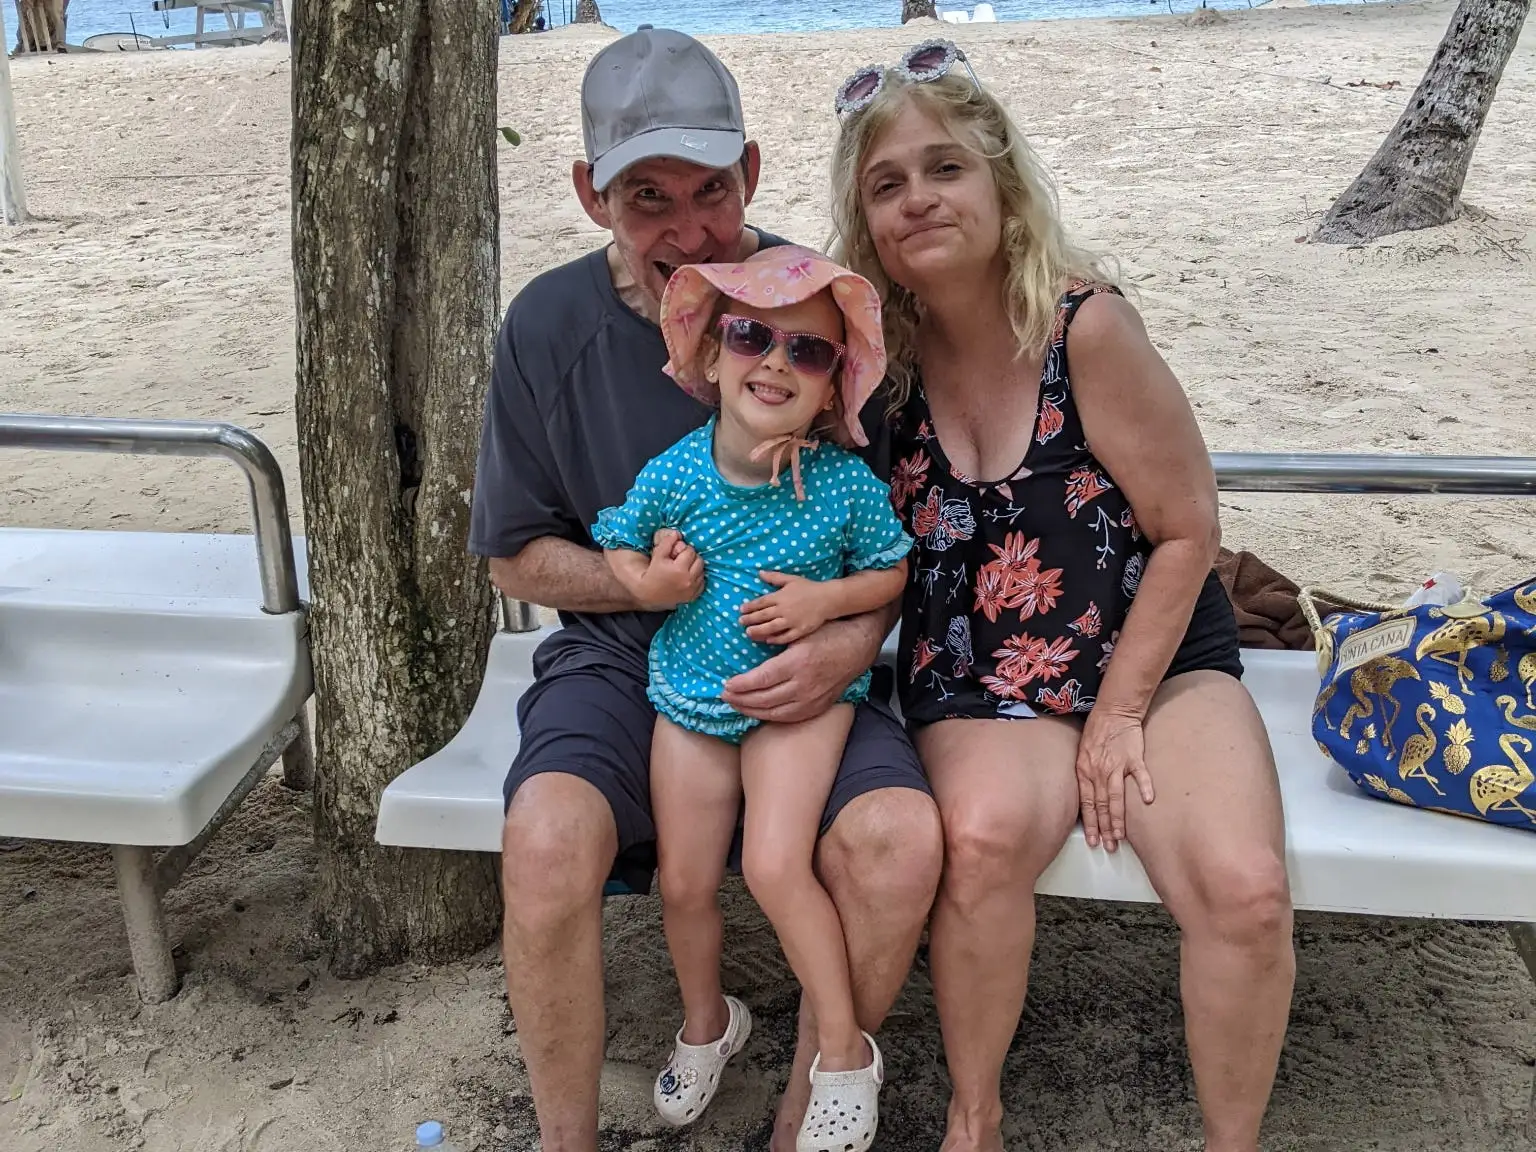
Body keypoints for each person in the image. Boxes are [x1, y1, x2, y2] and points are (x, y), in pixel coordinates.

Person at [468, 28, 943, 1152]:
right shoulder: (547, 327)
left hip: (801, 652)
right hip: (622, 658)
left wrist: (843, 642)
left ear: (755, 173)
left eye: (711, 192)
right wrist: (633, 580)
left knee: (896, 841)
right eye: (647, 199)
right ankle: (567, 1137)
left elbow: (891, 544)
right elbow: (514, 557)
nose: (688, 231)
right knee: (542, 841)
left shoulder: (816, 309)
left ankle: (803, 1112)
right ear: (592, 195)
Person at [827, 39, 1296, 1152]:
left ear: (1001, 183)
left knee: (1246, 888)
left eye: (944, 168)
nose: (918, 200)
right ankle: (973, 1119)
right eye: (885, 184)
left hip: (1155, 654)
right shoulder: (872, 366)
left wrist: (1121, 713)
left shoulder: (1085, 328)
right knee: (983, 839)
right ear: (866, 224)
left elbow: (1188, 531)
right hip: (985, 669)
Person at [594, 246, 912, 1151]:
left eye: (807, 353)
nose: (775, 361)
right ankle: (708, 1022)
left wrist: (826, 602)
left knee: (776, 865)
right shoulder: (677, 472)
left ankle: (844, 1052)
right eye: (751, 336)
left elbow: (892, 569)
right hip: (692, 694)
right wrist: (648, 582)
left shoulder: (843, 484)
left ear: (831, 389)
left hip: (802, 702)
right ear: (709, 355)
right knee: (685, 882)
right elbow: (618, 538)